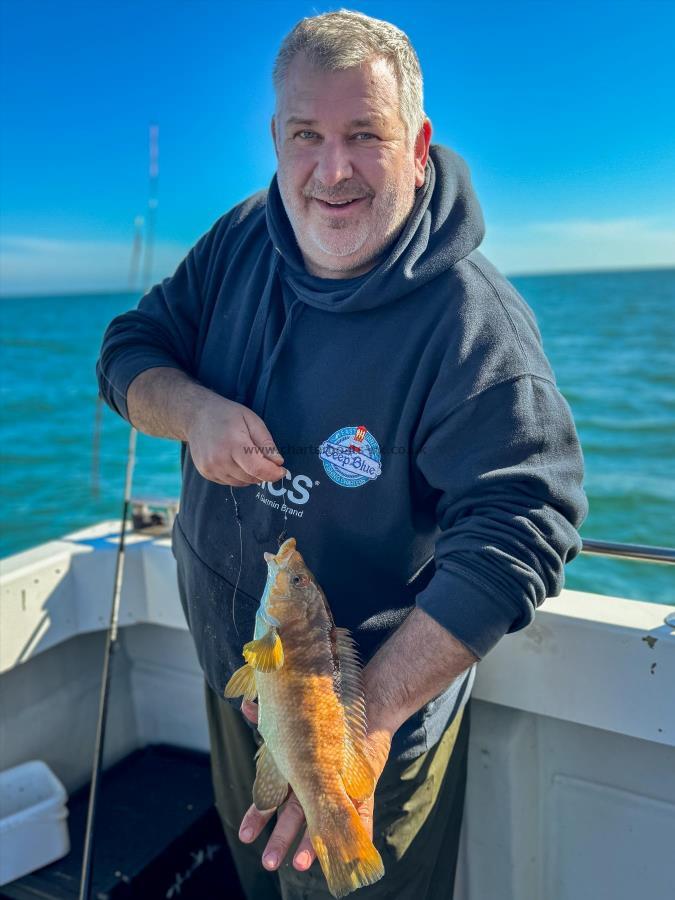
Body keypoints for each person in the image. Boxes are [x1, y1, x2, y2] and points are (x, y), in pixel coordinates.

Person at [97, 10, 587, 898]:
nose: (332, 171)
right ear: (274, 140)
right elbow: (129, 350)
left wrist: (367, 722)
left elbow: (526, 523)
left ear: (417, 143)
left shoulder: (473, 326)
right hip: (237, 668)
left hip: (373, 711)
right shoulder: (240, 237)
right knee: (259, 874)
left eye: (365, 134)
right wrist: (195, 413)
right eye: (305, 137)